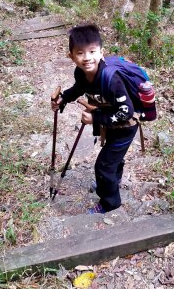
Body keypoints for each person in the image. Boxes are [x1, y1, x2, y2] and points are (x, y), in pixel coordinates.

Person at [51, 23, 138, 214]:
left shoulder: (111, 79)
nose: (87, 58)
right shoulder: (81, 73)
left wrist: (96, 118)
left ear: (101, 52)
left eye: (92, 51)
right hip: (111, 124)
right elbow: (79, 88)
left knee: (104, 165)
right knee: (113, 160)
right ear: (71, 56)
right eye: (80, 53)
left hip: (125, 127)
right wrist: (64, 98)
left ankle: (110, 203)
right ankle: (111, 182)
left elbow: (127, 111)